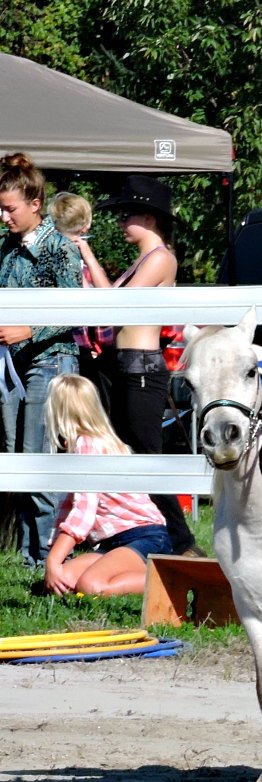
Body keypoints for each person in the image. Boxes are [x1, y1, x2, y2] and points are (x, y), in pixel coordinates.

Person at [75, 175, 204, 557]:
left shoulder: (161, 258)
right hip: (129, 366)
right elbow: (110, 298)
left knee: (147, 457)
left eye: (127, 213)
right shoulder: (146, 260)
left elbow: (115, 305)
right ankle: (155, 536)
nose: (120, 221)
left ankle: (182, 543)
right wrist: (85, 256)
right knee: (133, 454)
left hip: (142, 369)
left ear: (148, 218)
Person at [0, 152, 81, 568]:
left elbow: (75, 310)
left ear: (35, 204)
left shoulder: (60, 249)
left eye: (9, 208)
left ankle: (45, 558)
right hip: (12, 366)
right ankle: (30, 552)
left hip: (50, 362)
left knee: (39, 458)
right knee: (16, 457)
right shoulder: (6, 249)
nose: (3, 216)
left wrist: (27, 329)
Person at [44, 374, 172, 596]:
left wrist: (53, 560)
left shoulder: (87, 444)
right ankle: (132, 577)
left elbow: (83, 510)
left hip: (145, 537)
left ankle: (171, 582)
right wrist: (56, 560)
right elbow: (67, 507)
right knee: (63, 581)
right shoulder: (83, 445)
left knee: (90, 586)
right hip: (113, 542)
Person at [47, 191, 115, 393]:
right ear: (86, 225)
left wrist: (86, 254)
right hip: (73, 349)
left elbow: (107, 298)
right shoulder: (61, 253)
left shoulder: (70, 252)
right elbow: (103, 298)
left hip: (81, 349)